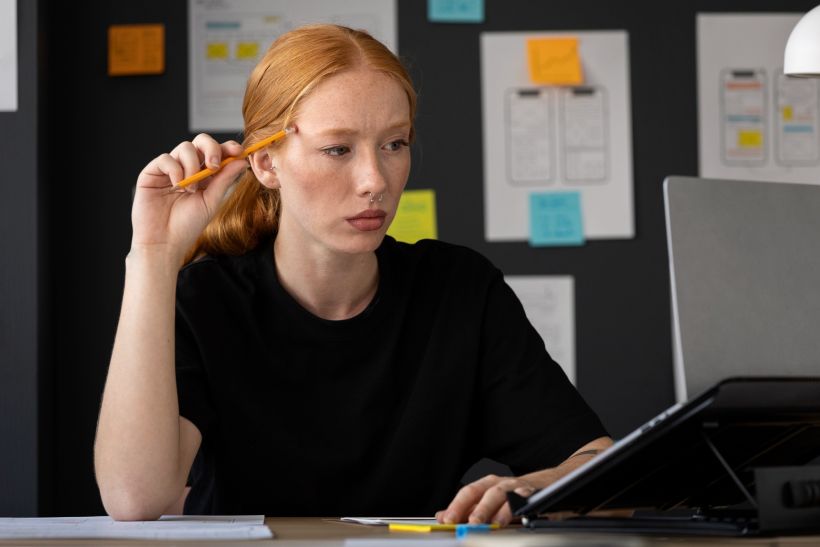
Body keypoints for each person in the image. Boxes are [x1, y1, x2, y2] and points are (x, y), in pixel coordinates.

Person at [94, 24, 611, 524]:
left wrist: (538, 488)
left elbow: (600, 462)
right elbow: (136, 498)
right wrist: (154, 256)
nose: (374, 181)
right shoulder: (205, 299)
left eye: (395, 144)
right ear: (267, 164)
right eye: (338, 149)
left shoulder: (460, 292)